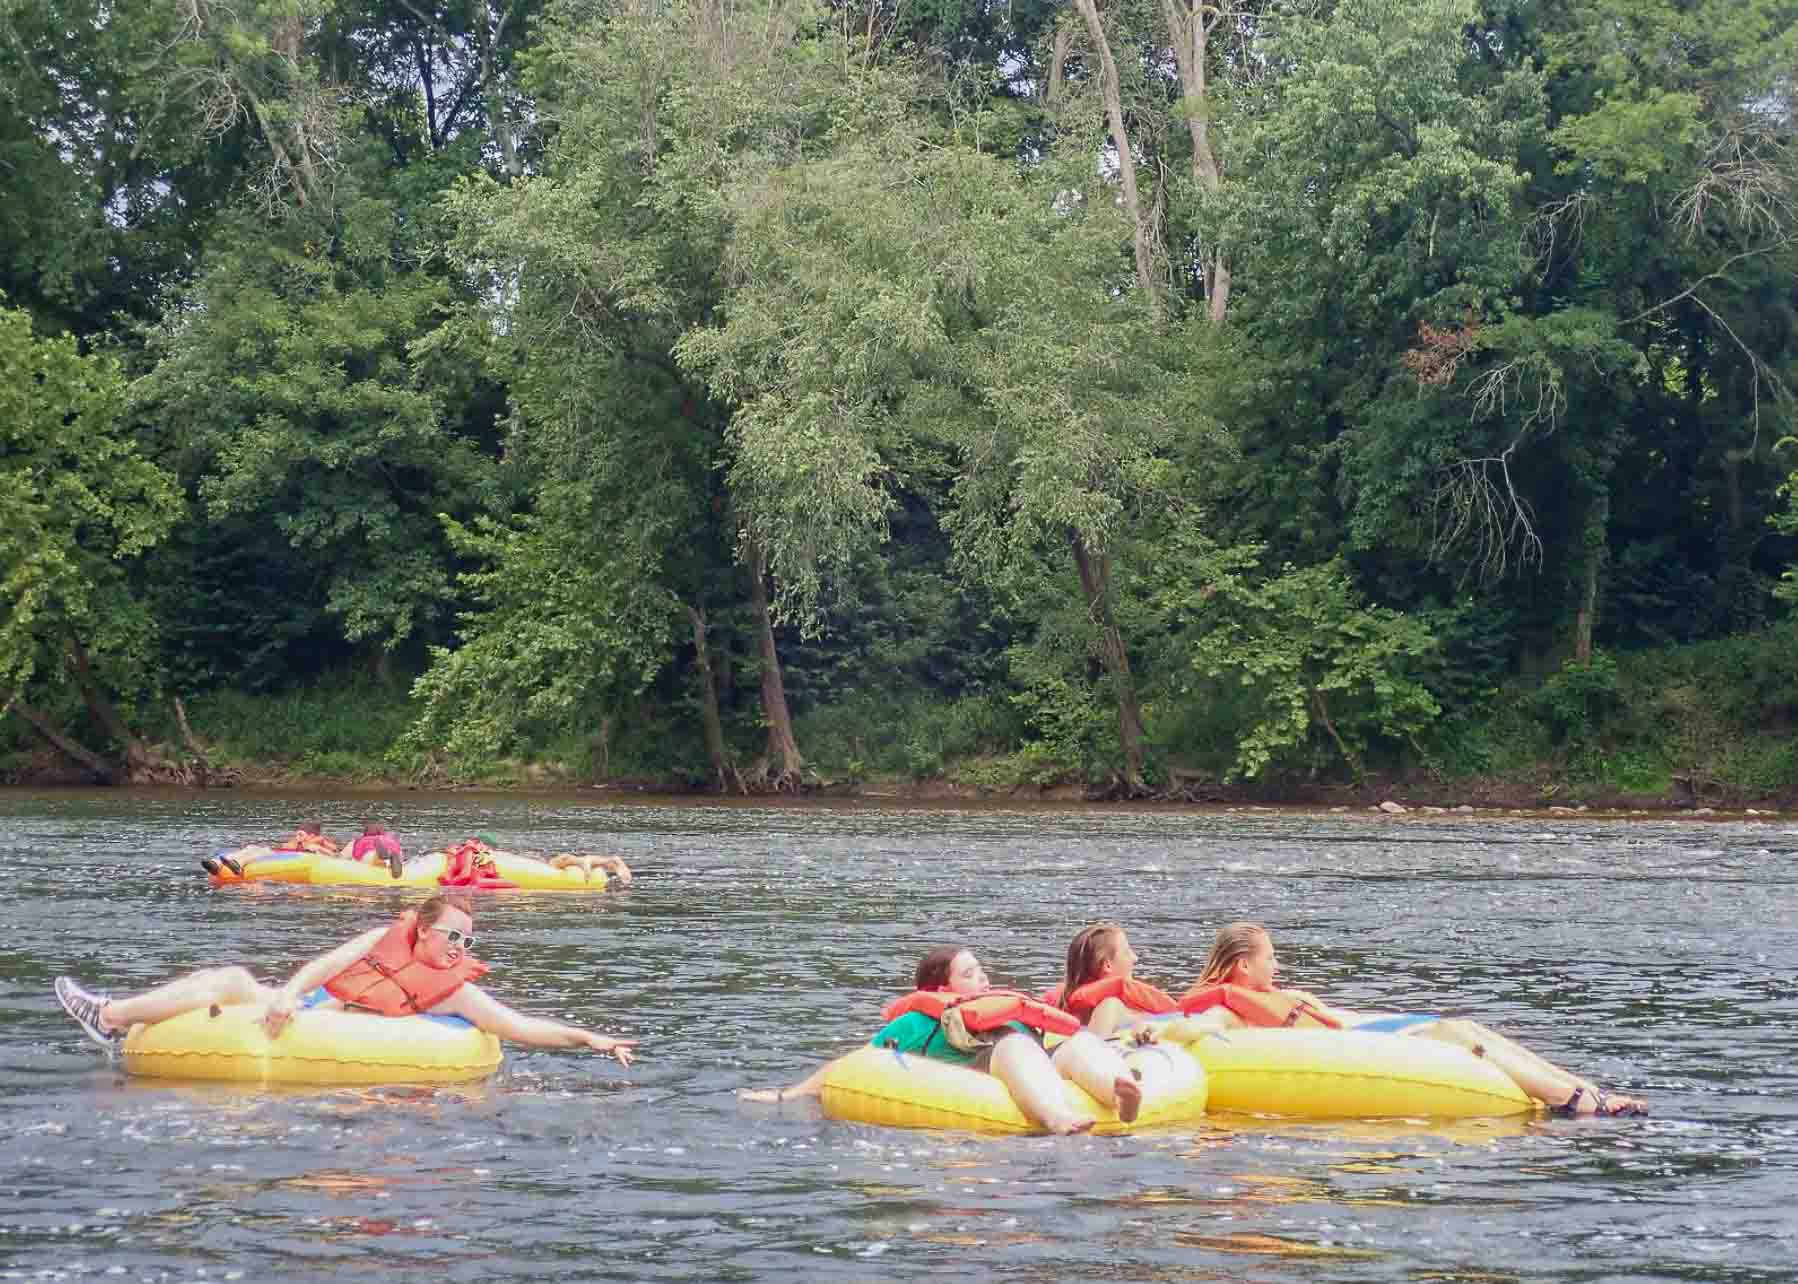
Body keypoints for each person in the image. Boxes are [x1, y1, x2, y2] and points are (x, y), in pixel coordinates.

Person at [54, 893, 636, 1064]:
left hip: (348, 1042)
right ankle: (107, 1017)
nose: (459, 948)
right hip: (310, 1014)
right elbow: (320, 970)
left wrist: (590, 1038)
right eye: (451, 936)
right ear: (423, 930)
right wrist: (284, 998)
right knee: (230, 975)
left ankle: (109, 1019)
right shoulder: (385, 940)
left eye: (468, 941)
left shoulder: (456, 991)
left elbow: (520, 1027)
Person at [1180, 922, 1646, 1117]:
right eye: (1270, 959)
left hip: (1360, 1031)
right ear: (1243, 965)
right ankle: (1573, 1099)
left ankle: (1586, 1091)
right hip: (1358, 1045)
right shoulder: (1227, 1004)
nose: (1277, 967)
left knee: (1469, 1029)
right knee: (1459, 1034)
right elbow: (1205, 1024)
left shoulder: (1262, 994)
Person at [740, 945, 1144, 1134]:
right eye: (969, 974)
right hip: (990, 1060)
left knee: (1082, 1046)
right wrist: (787, 1096)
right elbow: (851, 1065)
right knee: (1014, 1047)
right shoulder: (918, 1020)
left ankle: (1118, 1091)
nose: (983, 980)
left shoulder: (1004, 1006)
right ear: (941, 986)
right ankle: (1057, 1116)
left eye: (981, 971)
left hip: (1038, 1054)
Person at [1046, 922, 1222, 1041]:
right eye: (1127, 951)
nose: (1135, 958)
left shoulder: (1059, 1006)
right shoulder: (1111, 1007)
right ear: (1107, 965)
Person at [201, 821, 338, 878]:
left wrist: (316, 847)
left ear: (312, 835)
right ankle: (216, 863)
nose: (296, 836)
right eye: (297, 834)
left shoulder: (318, 843)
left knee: (260, 851)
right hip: (282, 855)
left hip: (287, 858)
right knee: (251, 847)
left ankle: (238, 865)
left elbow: (333, 853)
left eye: (300, 834)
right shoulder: (297, 842)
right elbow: (287, 847)